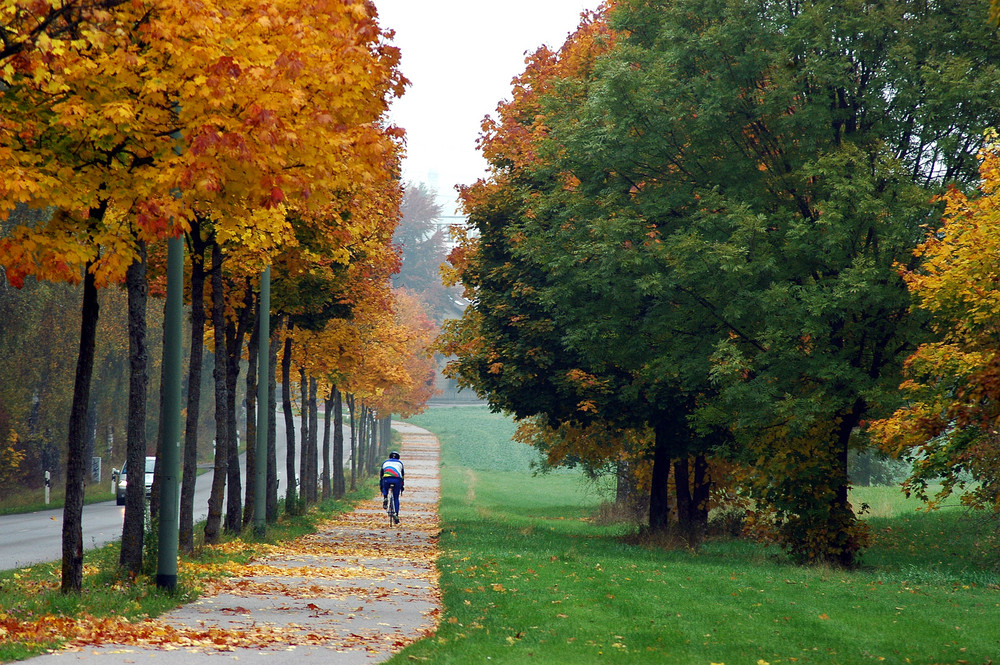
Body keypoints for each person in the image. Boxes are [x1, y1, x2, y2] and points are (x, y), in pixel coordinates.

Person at [380, 451, 404, 524]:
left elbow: (381, 475)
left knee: (384, 484)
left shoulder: (385, 463)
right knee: (396, 498)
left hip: (387, 479)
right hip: (397, 479)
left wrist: (381, 487)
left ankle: (385, 497)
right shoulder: (400, 463)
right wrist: (402, 486)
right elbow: (402, 476)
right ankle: (396, 514)